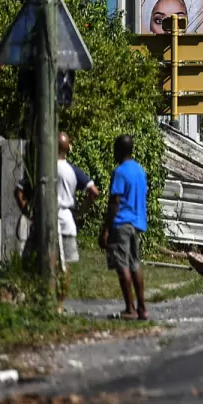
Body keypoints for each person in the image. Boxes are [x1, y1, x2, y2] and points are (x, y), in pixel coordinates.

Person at [101, 135, 149, 320]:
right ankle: (143, 308)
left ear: (120, 150)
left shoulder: (120, 172)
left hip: (121, 223)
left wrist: (106, 228)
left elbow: (115, 201)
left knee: (123, 266)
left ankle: (130, 309)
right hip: (137, 223)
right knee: (135, 264)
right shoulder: (140, 171)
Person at [57, 132, 99, 269]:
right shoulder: (72, 170)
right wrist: (81, 211)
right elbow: (94, 192)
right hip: (66, 221)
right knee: (67, 266)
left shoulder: (41, 168)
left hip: (45, 221)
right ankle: (63, 289)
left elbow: (19, 190)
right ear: (68, 148)